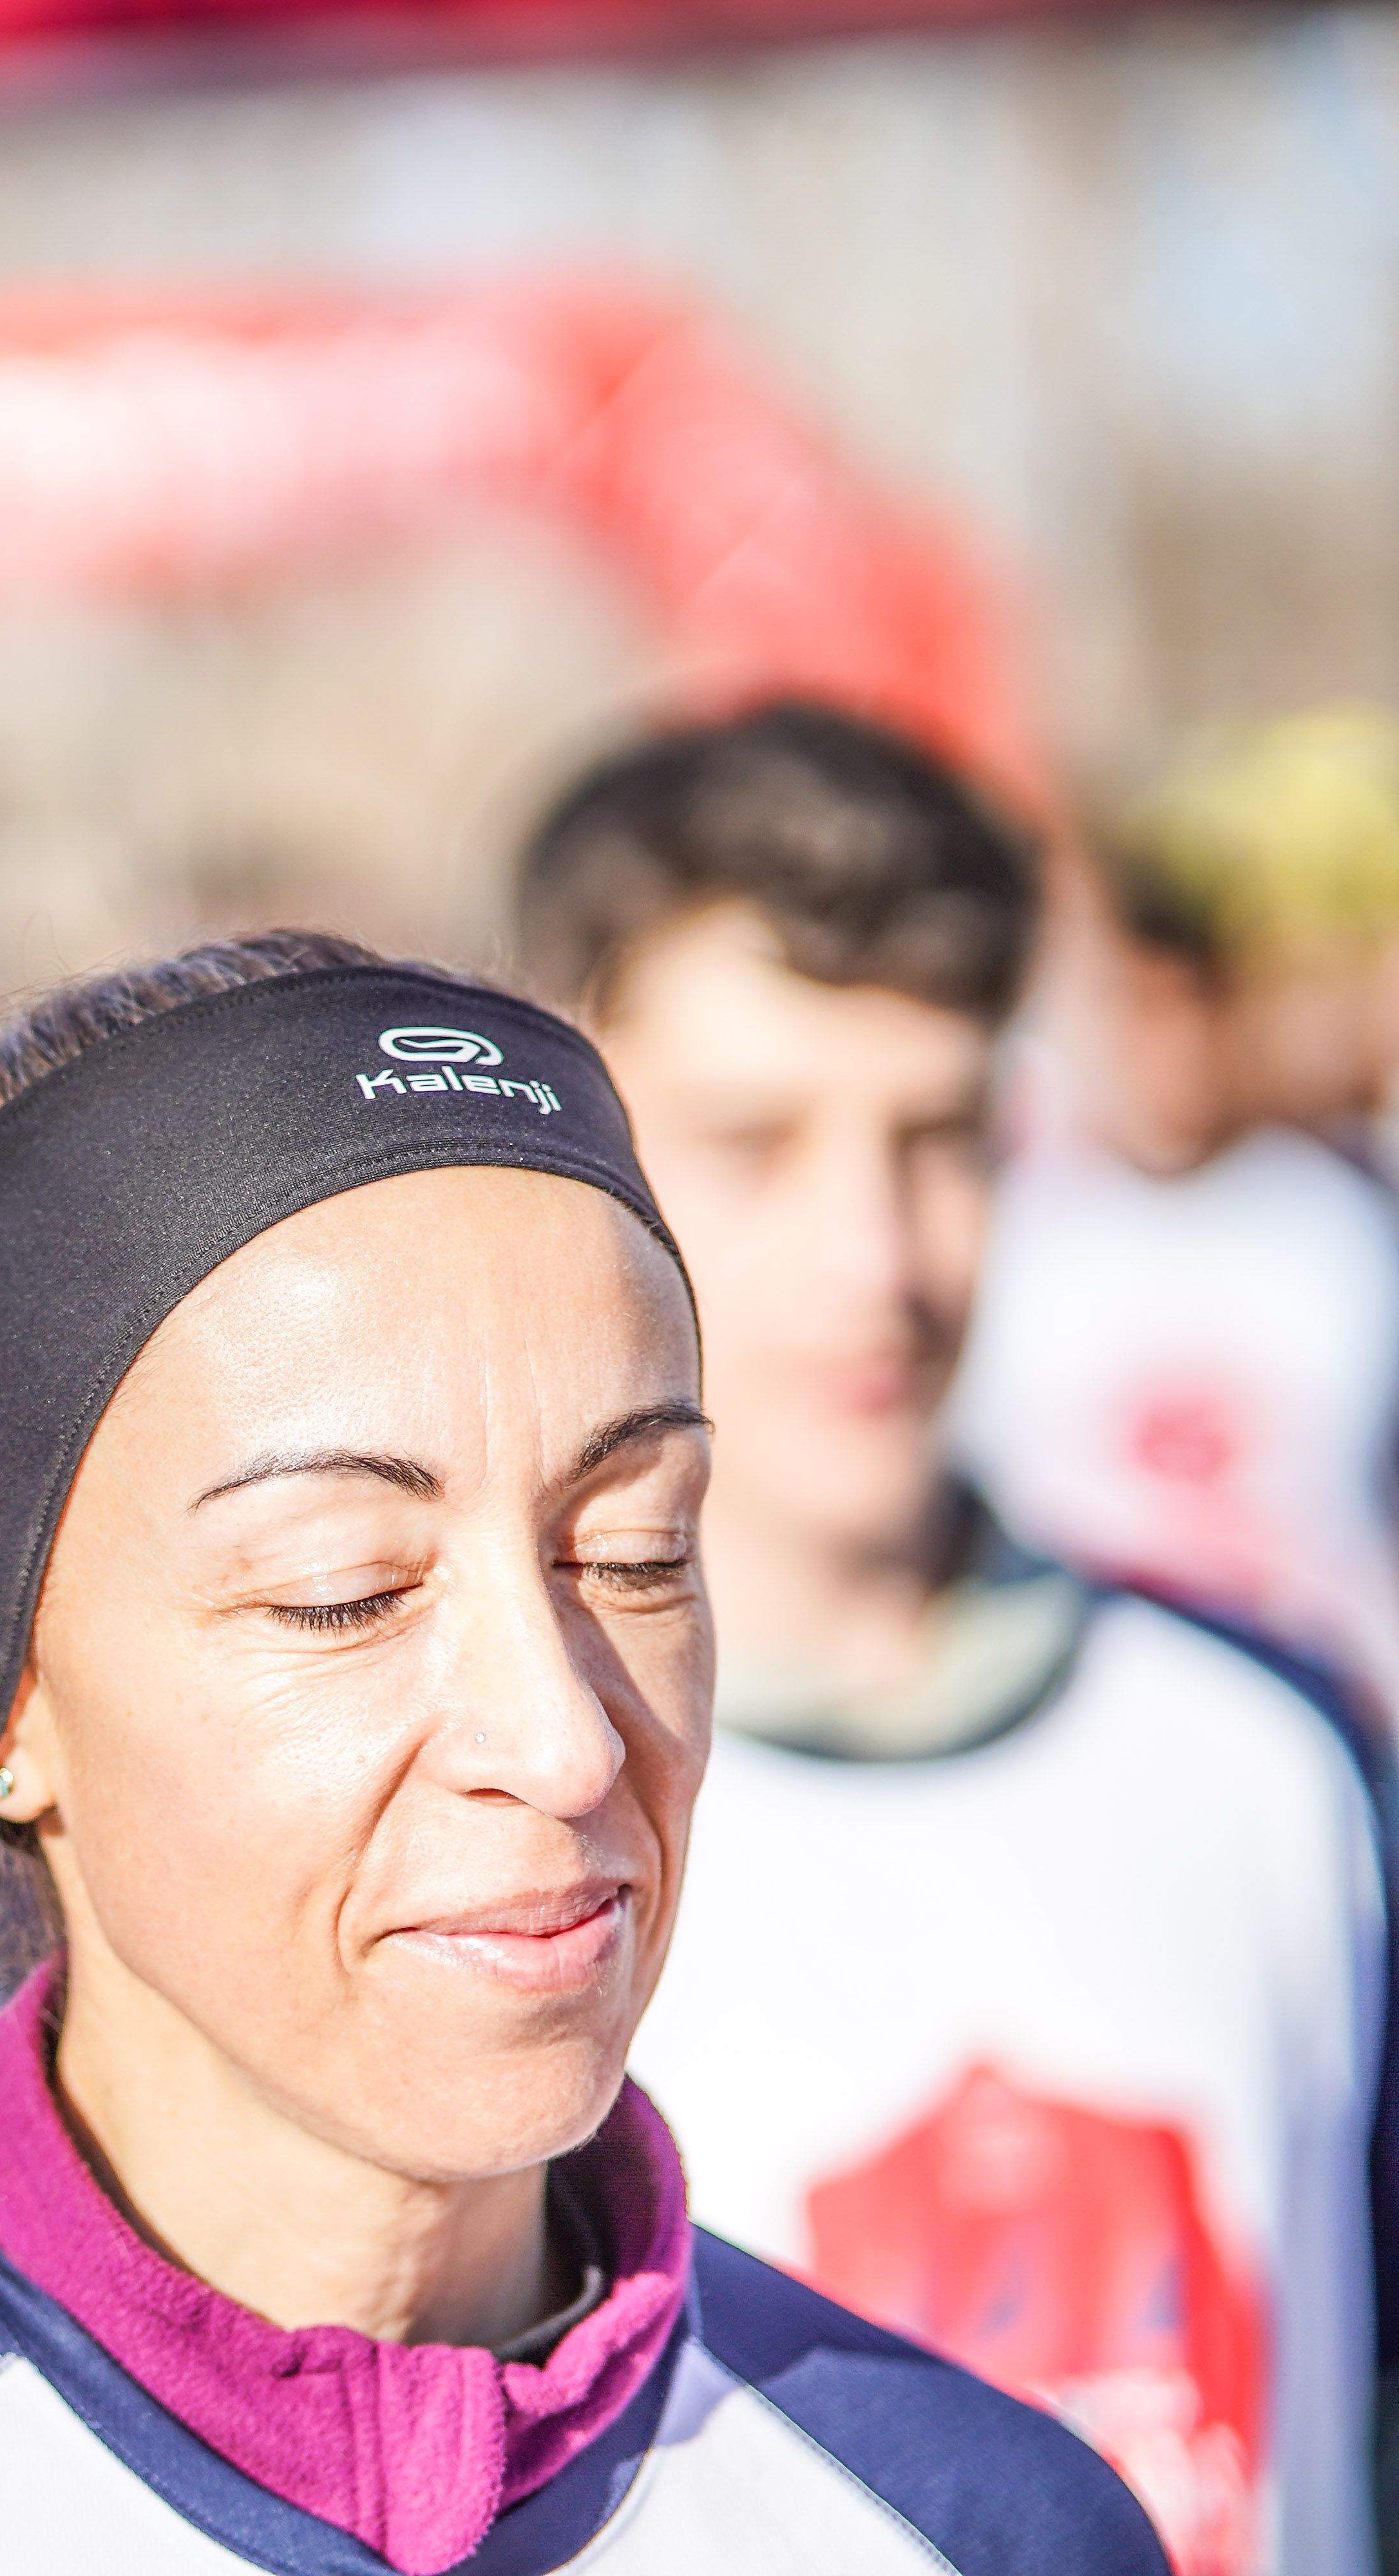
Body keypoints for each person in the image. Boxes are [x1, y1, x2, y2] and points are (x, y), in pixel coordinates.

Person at [0, 933, 1154, 2575]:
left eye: (634, 1549)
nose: (563, 1737)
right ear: (11, 1704)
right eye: (342, 1589)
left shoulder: (970, 2523)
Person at [518, 700, 1390, 2576]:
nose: (878, 1256)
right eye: (757, 1145)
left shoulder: (1279, 1756)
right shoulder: (498, 1819)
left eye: (937, 1139)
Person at [946, 706, 1399, 1723]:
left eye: (1189, 1007)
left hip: (1324, 1706)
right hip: (1091, 1712)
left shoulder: (1344, 1223)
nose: (1163, 1052)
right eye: (1131, 1007)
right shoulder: (1010, 1223)